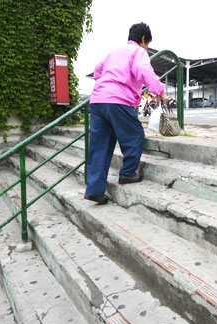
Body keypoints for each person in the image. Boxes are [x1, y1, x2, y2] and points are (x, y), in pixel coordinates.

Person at [85, 22, 168, 205]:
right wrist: (161, 91)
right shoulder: (139, 52)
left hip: (98, 100)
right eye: (147, 43)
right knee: (135, 135)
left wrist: (107, 83)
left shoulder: (113, 53)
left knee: (100, 146)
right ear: (144, 39)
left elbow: (98, 71)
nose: (146, 47)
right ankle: (128, 173)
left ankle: (94, 190)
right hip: (118, 100)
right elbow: (145, 71)